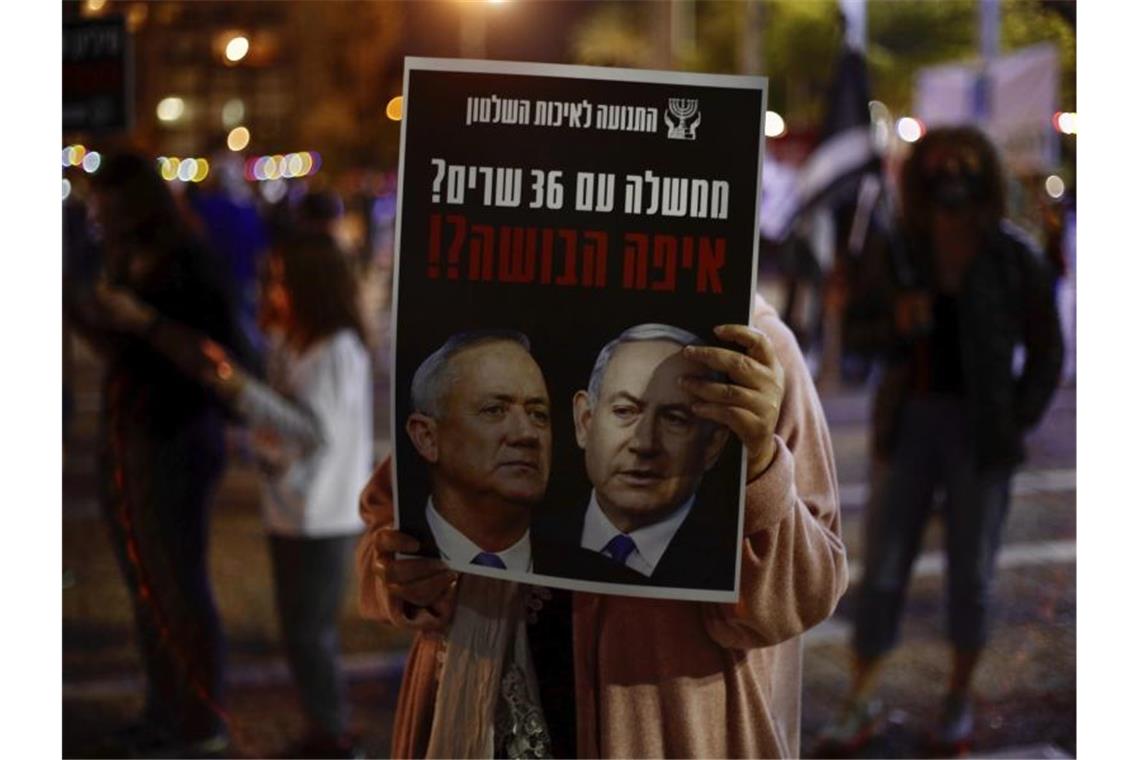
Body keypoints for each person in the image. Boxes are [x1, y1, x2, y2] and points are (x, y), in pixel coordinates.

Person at [358, 301, 848, 757]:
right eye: (624, 411)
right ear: (583, 418)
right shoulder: (494, 325)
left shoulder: (752, 341)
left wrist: (761, 467)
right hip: (480, 709)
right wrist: (401, 576)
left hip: (668, 728)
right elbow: (387, 526)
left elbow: (809, 590)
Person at [817, 126, 1064, 755]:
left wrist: (1016, 419)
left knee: (970, 576)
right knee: (883, 573)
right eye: (938, 164)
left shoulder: (1014, 254)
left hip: (982, 436)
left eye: (964, 164)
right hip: (908, 427)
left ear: (984, 175)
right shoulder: (900, 248)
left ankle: (956, 698)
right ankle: (859, 696)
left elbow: (1047, 349)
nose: (951, 174)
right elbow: (862, 339)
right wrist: (887, 321)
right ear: (919, 175)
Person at [98, 230, 373, 758]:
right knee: (299, 632)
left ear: (311, 285)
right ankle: (324, 728)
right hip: (295, 506)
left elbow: (312, 431)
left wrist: (236, 389)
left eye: (282, 280)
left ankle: (333, 736)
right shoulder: (302, 339)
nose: (273, 289)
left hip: (322, 513)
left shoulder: (336, 348)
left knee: (309, 635)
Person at [66, 150, 254, 757]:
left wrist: (140, 321)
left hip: (178, 435)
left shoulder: (188, 261)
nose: (95, 212)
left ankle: (200, 723)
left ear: (134, 202)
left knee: (178, 582)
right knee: (145, 581)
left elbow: (215, 359)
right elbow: (123, 350)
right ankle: (164, 709)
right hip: (131, 432)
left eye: (104, 200)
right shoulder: (123, 255)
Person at [401, 330, 641, 582]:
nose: (527, 434)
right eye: (494, 410)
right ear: (427, 438)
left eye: (538, 414)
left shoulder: (603, 580)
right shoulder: (387, 562)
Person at [568, 323, 734, 589]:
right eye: (624, 411)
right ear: (585, 422)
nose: (644, 444)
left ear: (713, 445)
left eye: (674, 419)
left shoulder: (736, 565)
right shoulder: (527, 542)